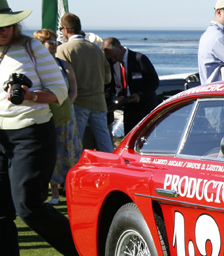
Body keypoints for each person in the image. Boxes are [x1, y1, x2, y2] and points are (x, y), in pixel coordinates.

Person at [0, 2, 91, 256]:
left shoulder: (32, 48)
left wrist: (30, 96)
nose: (3, 29)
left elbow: (60, 92)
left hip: (31, 134)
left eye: (7, 24)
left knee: (28, 206)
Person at [34, 28, 80, 206]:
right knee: (49, 153)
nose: (55, 46)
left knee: (69, 152)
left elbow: (74, 88)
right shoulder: (36, 67)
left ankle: (69, 190)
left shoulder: (63, 64)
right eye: (50, 43)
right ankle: (52, 192)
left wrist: (66, 105)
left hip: (67, 116)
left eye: (55, 42)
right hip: (45, 115)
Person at [55, 12, 112, 154]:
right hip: (99, 101)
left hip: (78, 102)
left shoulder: (63, 49)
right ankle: (112, 168)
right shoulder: (97, 50)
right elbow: (108, 79)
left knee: (76, 142)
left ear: (65, 30)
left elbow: (61, 78)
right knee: (104, 141)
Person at [101, 37, 160, 134]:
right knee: (130, 136)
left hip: (145, 107)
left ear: (120, 48)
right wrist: (117, 95)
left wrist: (140, 95)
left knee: (147, 136)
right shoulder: (114, 62)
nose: (113, 59)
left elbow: (154, 82)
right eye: (111, 58)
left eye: (114, 56)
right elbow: (115, 84)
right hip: (128, 108)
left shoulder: (139, 58)